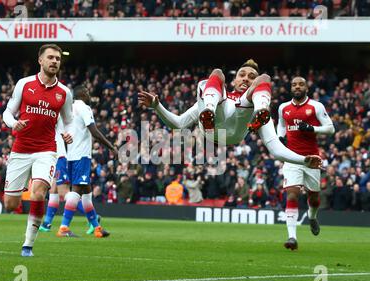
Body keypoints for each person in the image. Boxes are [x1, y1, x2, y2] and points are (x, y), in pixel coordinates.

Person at [138, 59, 322, 170]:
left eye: (251, 78)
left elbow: (275, 148)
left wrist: (303, 160)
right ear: (234, 80)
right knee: (214, 76)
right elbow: (178, 124)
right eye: (242, 75)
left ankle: (256, 111)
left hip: (237, 127)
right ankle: (208, 113)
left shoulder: (254, 103)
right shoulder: (221, 95)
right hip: (213, 123)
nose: (246, 79)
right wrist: (157, 106)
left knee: (264, 78)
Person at [2, 43, 73, 257]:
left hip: (46, 150)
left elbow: (68, 121)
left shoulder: (64, 93)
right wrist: (13, 124)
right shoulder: (24, 84)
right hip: (21, 149)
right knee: (10, 204)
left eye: (57, 59)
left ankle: (28, 246)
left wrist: (68, 134)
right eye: (50, 58)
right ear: (40, 60)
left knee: (39, 192)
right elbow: (8, 112)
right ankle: (21, 189)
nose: (54, 62)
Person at [277, 76, 335, 251]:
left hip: (311, 159)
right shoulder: (283, 108)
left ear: (306, 88)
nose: (297, 87)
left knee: (314, 199)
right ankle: (292, 237)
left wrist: (312, 129)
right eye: (294, 84)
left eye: (300, 84)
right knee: (292, 195)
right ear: (290, 88)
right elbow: (281, 125)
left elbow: (331, 128)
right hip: (292, 158)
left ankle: (312, 217)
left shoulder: (316, 106)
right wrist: (279, 139)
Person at [55, 85, 118, 238]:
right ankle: (64, 227)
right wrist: (111, 146)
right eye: (88, 92)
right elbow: (94, 131)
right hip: (81, 155)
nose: (90, 95)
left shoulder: (69, 109)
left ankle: (97, 228)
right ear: (82, 94)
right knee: (77, 190)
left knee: (86, 192)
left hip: (71, 154)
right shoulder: (84, 108)